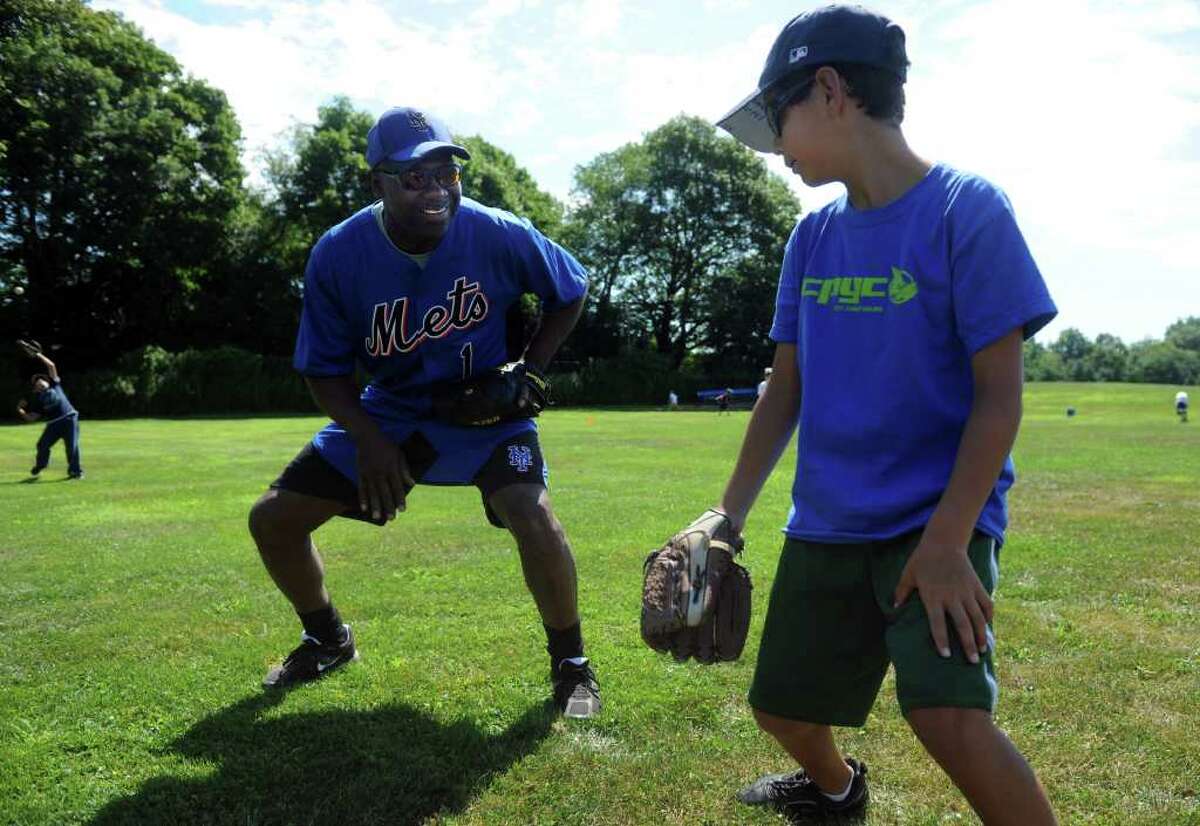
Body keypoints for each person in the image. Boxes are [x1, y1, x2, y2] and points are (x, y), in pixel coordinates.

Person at [713, 6, 1058, 823]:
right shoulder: (811, 238)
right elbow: (783, 390)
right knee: (782, 710)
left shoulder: (966, 210)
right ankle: (837, 789)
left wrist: (947, 544)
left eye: (779, 119)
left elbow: (999, 398)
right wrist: (727, 514)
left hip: (933, 521)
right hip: (828, 520)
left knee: (946, 715)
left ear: (830, 90)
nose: (777, 148)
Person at [247, 107, 600, 718]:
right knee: (273, 520)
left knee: (530, 511)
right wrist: (369, 441)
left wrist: (530, 369)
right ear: (376, 184)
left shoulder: (495, 230)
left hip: (488, 408)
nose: (437, 190)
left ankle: (571, 663)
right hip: (390, 410)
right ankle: (328, 639)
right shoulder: (338, 253)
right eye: (415, 178)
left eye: (446, 173)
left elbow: (569, 290)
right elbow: (323, 371)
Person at [16, 344, 83, 479]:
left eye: (41, 380)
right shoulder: (38, 401)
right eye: (37, 382)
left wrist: (38, 355)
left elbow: (51, 366)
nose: (40, 381)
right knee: (42, 445)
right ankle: (41, 465)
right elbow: (31, 418)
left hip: (69, 418)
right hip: (53, 424)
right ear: (35, 389)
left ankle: (75, 472)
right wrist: (20, 410)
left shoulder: (55, 384)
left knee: (72, 447)